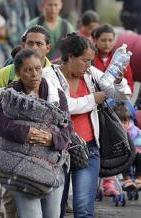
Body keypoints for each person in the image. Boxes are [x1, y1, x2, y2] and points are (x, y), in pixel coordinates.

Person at [43, 33, 131, 218]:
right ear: (70, 57)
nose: (89, 65)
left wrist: (118, 81)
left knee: (83, 210)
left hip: (89, 149)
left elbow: (122, 96)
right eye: (85, 60)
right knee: (54, 210)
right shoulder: (48, 75)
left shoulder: (91, 74)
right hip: (57, 151)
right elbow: (61, 107)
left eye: (91, 61)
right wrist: (93, 99)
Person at [0, 49, 72, 218]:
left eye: (38, 69)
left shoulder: (55, 94)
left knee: (52, 214)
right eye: (28, 70)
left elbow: (67, 127)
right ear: (19, 72)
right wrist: (26, 132)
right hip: (21, 168)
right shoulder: (9, 95)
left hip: (52, 167)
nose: (34, 74)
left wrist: (52, 139)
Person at [92, 23, 134, 92]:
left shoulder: (121, 59)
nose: (107, 44)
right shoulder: (90, 58)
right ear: (95, 40)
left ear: (115, 41)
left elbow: (129, 84)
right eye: (103, 40)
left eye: (110, 40)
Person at [112, 102, 141, 190]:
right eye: (120, 122)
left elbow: (139, 141)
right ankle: (127, 179)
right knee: (125, 156)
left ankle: (138, 178)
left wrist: (137, 149)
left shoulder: (134, 131)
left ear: (129, 121)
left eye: (125, 122)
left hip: (135, 154)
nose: (123, 125)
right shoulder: (114, 132)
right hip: (122, 156)